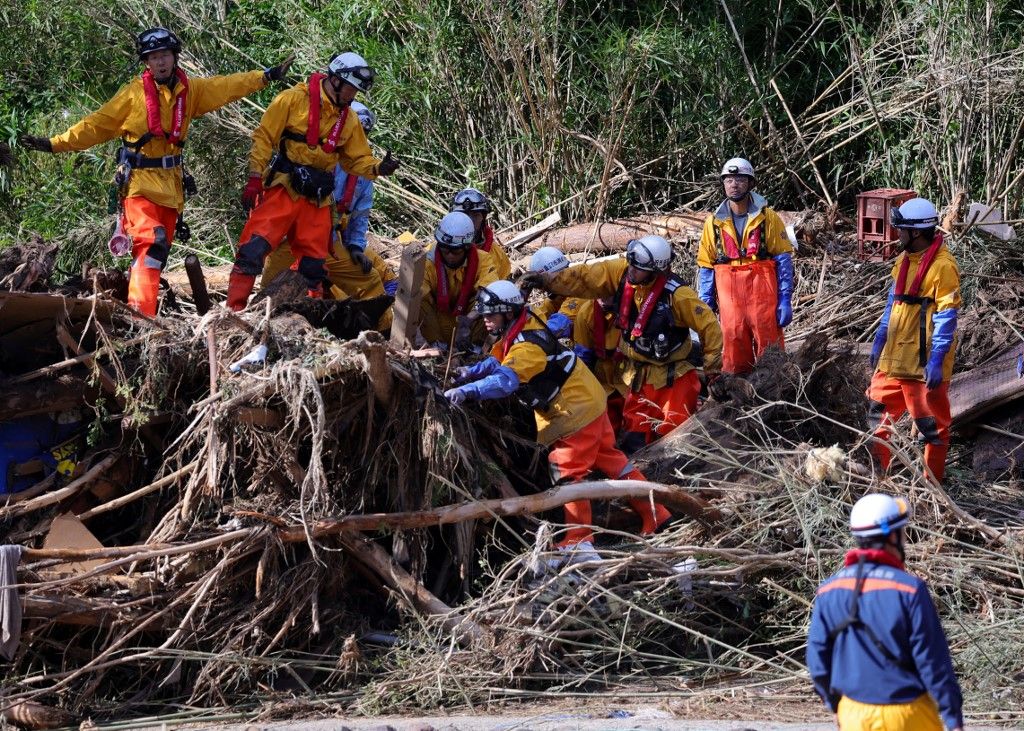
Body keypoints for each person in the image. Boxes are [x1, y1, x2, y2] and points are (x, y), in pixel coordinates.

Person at [20, 27, 293, 316]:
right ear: (146, 63)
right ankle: (142, 317)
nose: (160, 62)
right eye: (153, 57)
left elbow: (227, 86)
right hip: (138, 184)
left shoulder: (191, 92)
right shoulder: (132, 95)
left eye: (164, 55)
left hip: (172, 189)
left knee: (155, 255)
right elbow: (95, 125)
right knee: (152, 243)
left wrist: (266, 76)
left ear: (174, 57)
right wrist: (53, 144)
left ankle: (134, 309)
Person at [443, 281, 671, 553]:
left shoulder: (527, 347)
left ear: (507, 312)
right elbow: (498, 360)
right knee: (615, 464)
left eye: (491, 315)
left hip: (574, 411)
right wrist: (470, 373)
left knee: (566, 472)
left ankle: (579, 540)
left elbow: (506, 381)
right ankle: (657, 514)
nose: (486, 320)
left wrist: (467, 392)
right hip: (589, 401)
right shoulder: (523, 328)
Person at [226, 51, 400, 311]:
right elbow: (264, 137)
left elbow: (356, 160)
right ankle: (233, 311)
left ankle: (308, 318)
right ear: (336, 80)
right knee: (253, 250)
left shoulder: (349, 119)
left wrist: (378, 167)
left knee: (313, 268)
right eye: (351, 89)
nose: (353, 97)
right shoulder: (292, 100)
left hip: (317, 199)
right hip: (283, 188)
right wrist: (254, 176)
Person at [521, 235, 722, 454]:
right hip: (636, 378)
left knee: (676, 439)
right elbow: (585, 277)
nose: (631, 271)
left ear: (655, 271)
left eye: (638, 268)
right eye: (631, 265)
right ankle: (638, 482)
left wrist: (713, 370)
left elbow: (709, 326)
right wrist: (547, 281)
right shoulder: (621, 274)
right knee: (634, 438)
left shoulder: (678, 296)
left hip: (673, 380)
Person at [807, 493, 963, 731]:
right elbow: (933, 662)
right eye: (902, 533)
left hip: (853, 715)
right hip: (908, 715)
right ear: (892, 536)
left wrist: (834, 706)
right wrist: (953, 718)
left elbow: (818, 659)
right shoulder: (910, 590)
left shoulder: (828, 591)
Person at [259, 101, 397, 327]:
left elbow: (360, 215)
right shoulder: (312, 153)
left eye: (364, 134)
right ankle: (259, 334)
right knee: (270, 292)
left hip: (328, 243)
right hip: (291, 240)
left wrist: (354, 246)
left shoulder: (364, 176)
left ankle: (382, 337)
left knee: (370, 282)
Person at [866, 197, 959, 483]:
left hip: (923, 365)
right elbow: (891, 303)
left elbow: (947, 316)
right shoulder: (903, 260)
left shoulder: (943, 267)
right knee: (874, 418)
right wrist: (880, 336)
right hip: (893, 358)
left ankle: (933, 489)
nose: (897, 234)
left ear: (916, 232)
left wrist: (937, 359)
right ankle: (876, 479)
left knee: (932, 428)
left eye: (901, 229)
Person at [696, 157, 795, 375]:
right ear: (723, 183)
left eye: (740, 179)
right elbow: (706, 266)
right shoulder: (713, 223)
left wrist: (785, 298)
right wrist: (706, 303)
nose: (734, 184)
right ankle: (736, 403)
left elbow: (783, 259)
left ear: (750, 183)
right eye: (729, 179)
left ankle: (774, 399)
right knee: (732, 355)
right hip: (730, 299)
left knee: (771, 356)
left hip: (763, 297)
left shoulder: (768, 217)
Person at [418, 211, 499, 350]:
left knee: (490, 299)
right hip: (436, 322)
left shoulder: (483, 260)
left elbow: (491, 293)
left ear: (467, 247)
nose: (449, 255)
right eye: (444, 249)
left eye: (455, 251)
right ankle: (436, 346)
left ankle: (474, 349)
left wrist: (468, 320)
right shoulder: (426, 261)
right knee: (418, 299)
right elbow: (412, 301)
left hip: (468, 321)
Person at [572, 296, 627, 433]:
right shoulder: (586, 313)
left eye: (607, 292)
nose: (603, 297)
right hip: (604, 383)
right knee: (607, 431)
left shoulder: (636, 305)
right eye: (598, 292)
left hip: (632, 379)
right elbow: (583, 355)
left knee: (638, 428)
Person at [451, 187, 511, 279]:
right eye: (464, 215)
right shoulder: (437, 253)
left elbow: (503, 288)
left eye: (475, 215)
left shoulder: (497, 255)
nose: (469, 221)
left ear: (483, 218)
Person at [526, 246, 584, 338]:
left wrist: (529, 336)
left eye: (544, 282)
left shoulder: (579, 291)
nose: (542, 288)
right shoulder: (560, 293)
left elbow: (560, 325)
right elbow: (540, 313)